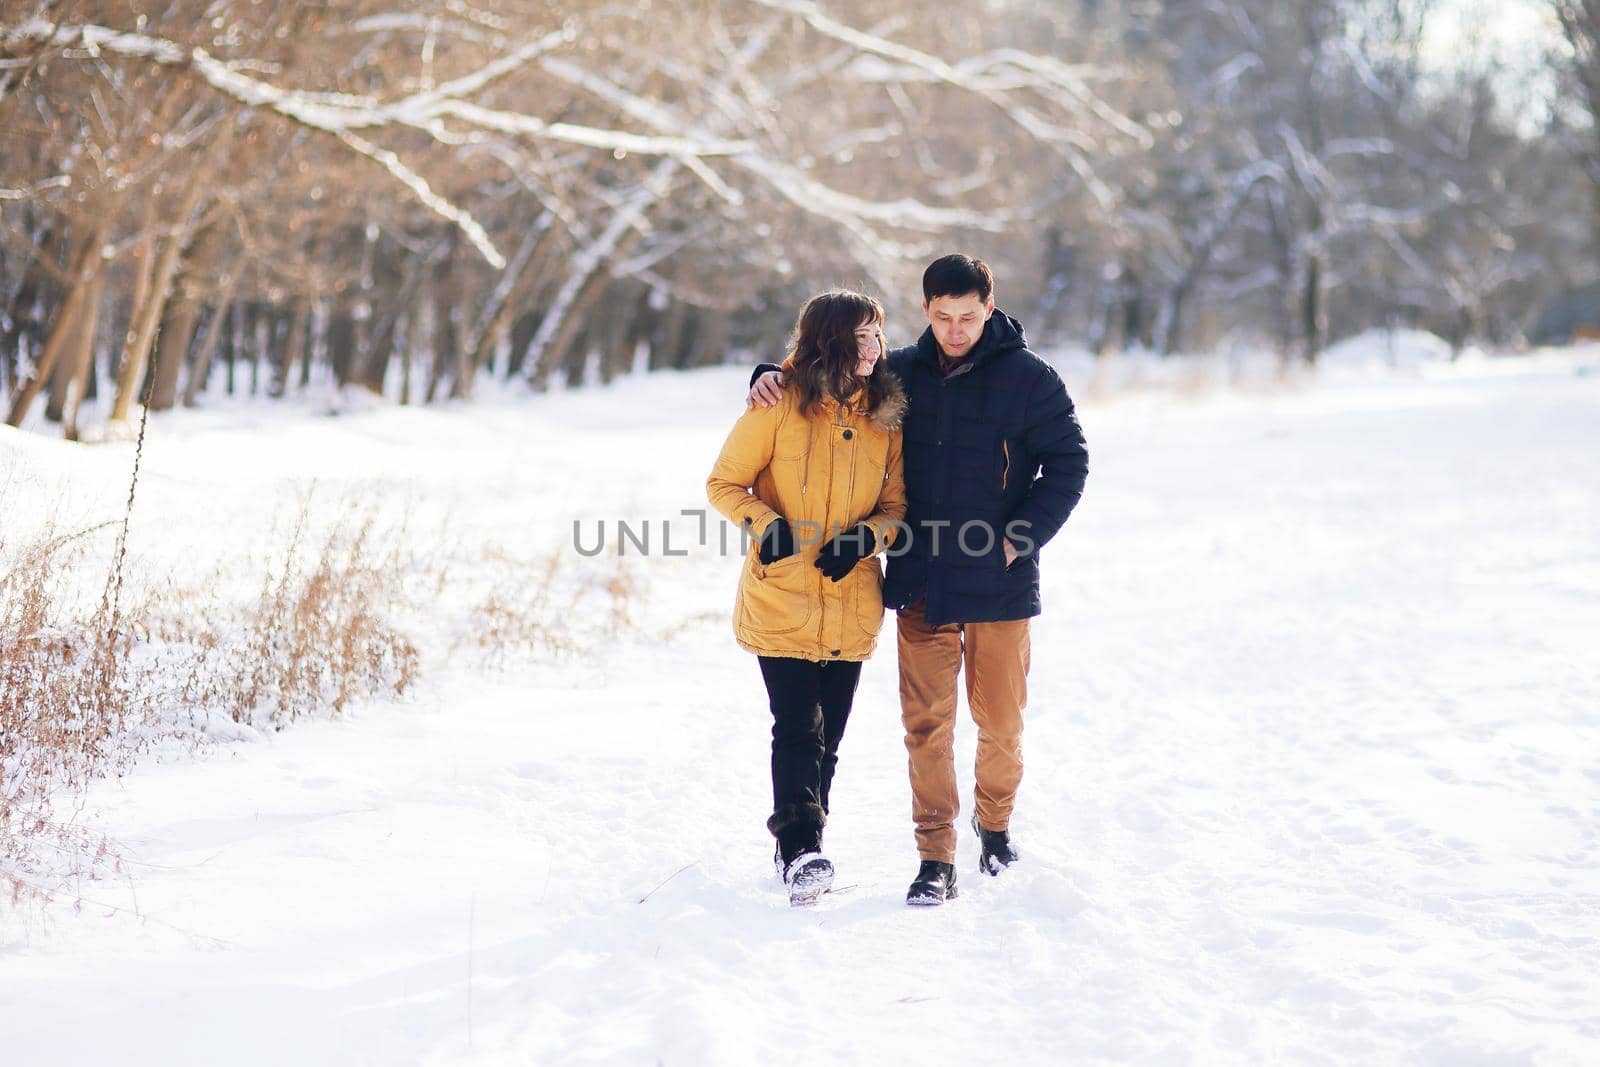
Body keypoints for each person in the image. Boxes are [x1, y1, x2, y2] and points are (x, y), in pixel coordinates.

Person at [747, 255, 1088, 905]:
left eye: (967, 317)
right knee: (927, 727)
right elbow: (825, 385)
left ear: (989, 308)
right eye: (942, 317)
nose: (955, 330)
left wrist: (1022, 537)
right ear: (925, 309)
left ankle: (994, 823)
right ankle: (936, 856)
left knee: (1000, 723)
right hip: (922, 582)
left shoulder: (1030, 379)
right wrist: (770, 375)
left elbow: (1068, 462)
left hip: (999, 583)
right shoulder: (899, 373)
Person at [707, 289, 908, 906]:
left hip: (850, 598)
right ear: (832, 339)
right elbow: (724, 483)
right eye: (863, 337)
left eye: (878, 335)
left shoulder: (886, 418)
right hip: (783, 594)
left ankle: (806, 840)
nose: (875, 348)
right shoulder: (776, 406)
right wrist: (767, 526)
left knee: (833, 734)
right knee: (798, 727)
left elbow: (897, 509)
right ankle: (799, 847)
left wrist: (866, 540)